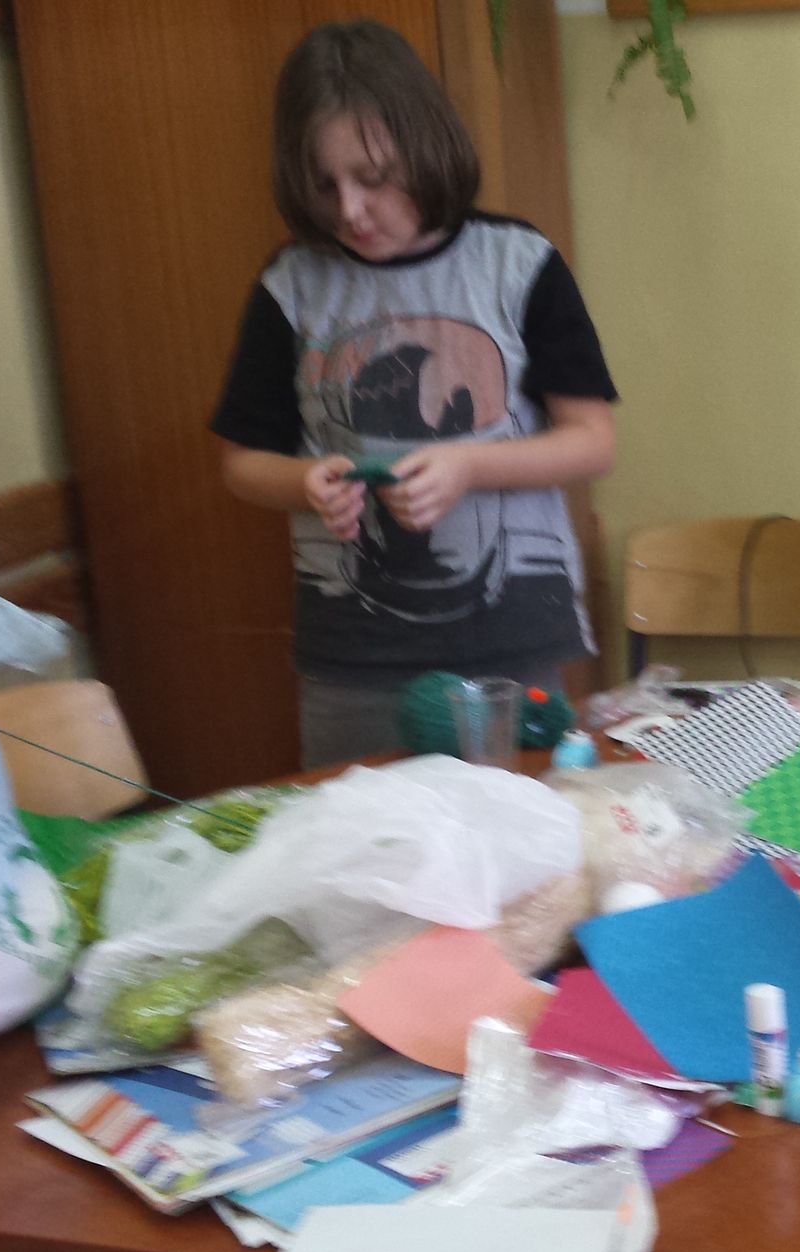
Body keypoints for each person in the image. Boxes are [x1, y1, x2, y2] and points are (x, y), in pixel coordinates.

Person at [212, 20, 617, 767]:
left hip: (511, 642)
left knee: (523, 830)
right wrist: (306, 482)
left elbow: (593, 441)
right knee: (363, 833)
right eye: (324, 185)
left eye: (373, 178)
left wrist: (467, 466)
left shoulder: (518, 264)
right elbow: (241, 464)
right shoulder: (290, 287)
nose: (349, 210)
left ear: (426, 149)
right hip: (355, 659)